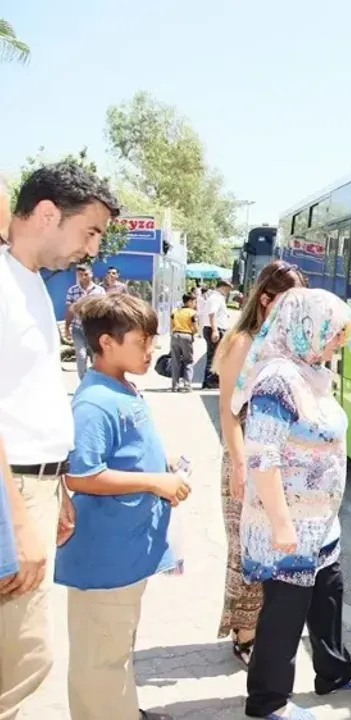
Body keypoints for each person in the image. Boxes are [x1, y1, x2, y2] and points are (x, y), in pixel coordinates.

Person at [0, 161, 120, 719]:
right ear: (48, 214)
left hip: (36, 488)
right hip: (13, 493)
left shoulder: (27, 284)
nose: (92, 248)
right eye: (89, 231)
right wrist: (17, 522)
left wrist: (58, 488)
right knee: (26, 660)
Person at [238, 288, 351, 720]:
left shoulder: (312, 373)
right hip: (288, 524)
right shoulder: (277, 380)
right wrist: (282, 525)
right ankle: (268, 703)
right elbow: (262, 457)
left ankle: (333, 671)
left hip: (320, 523)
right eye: (334, 333)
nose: (340, 342)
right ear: (305, 328)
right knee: (284, 612)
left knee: (327, 594)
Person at [56, 293, 189, 720]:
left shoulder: (122, 387)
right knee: (102, 658)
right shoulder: (95, 402)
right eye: (143, 341)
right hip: (105, 557)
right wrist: (155, 480)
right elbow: (79, 475)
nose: (152, 351)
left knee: (117, 647)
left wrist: (160, 465)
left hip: (124, 552)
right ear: (107, 343)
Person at [213, 260, 306, 665]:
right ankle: (245, 635)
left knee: (273, 550)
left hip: (279, 464)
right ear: (265, 299)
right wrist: (237, 463)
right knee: (246, 549)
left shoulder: (290, 346)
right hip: (246, 461)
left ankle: (263, 631)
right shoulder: (244, 342)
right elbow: (229, 412)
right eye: (288, 301)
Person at [64, 264, 106, 380]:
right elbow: (69, 310)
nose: (83, 277)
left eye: (86, 274)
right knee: (81, 355)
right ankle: (83, 380)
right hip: (78, 328)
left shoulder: (100, 291)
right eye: (80, 275)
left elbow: (104, 310)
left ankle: (95, 379)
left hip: (93, 329)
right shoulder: (73, 291)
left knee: (94, 356)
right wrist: (67, 327)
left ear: (91, 274)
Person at [202, 280, 232, 388]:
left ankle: (209, 380)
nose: (228, 292)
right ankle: (210, 380)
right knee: (215, 355)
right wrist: (215, 330)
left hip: (215, 328)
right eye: (228, 289)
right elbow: (212, 314)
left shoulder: (217, 297)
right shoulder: (215, 298)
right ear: (223, 287)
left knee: (215, 354)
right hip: (215, 329)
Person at [170, 293, 199, 392]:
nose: (195, 304)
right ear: (190, 302)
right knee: (188, 361)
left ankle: (175, 385)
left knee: (175, 361)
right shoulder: (192, 313)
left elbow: (171, 326)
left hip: (175, 335)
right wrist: (193, 333)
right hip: (186, 336)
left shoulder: (175, 312)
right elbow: (195, 328)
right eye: (194, 302)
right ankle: (187, 384)